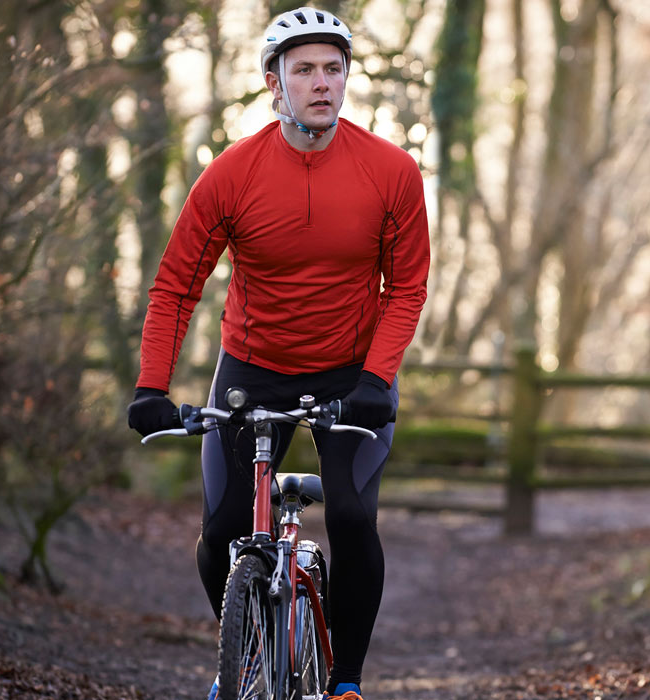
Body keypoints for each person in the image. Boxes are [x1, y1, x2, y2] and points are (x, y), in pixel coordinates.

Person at [125, 8, 429, 700]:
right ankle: (248, 648)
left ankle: (346, 682)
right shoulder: (232, 175)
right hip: (253, 370)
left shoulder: (392, 172)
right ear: (274, 83)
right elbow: (175, 285)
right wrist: (151, 387)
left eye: (333, 68)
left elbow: (406, 285)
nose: (322, 83)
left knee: (351, 517)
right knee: (223, 531)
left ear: (348, 77)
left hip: (353, 375)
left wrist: (380, 377)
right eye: (304, 70)